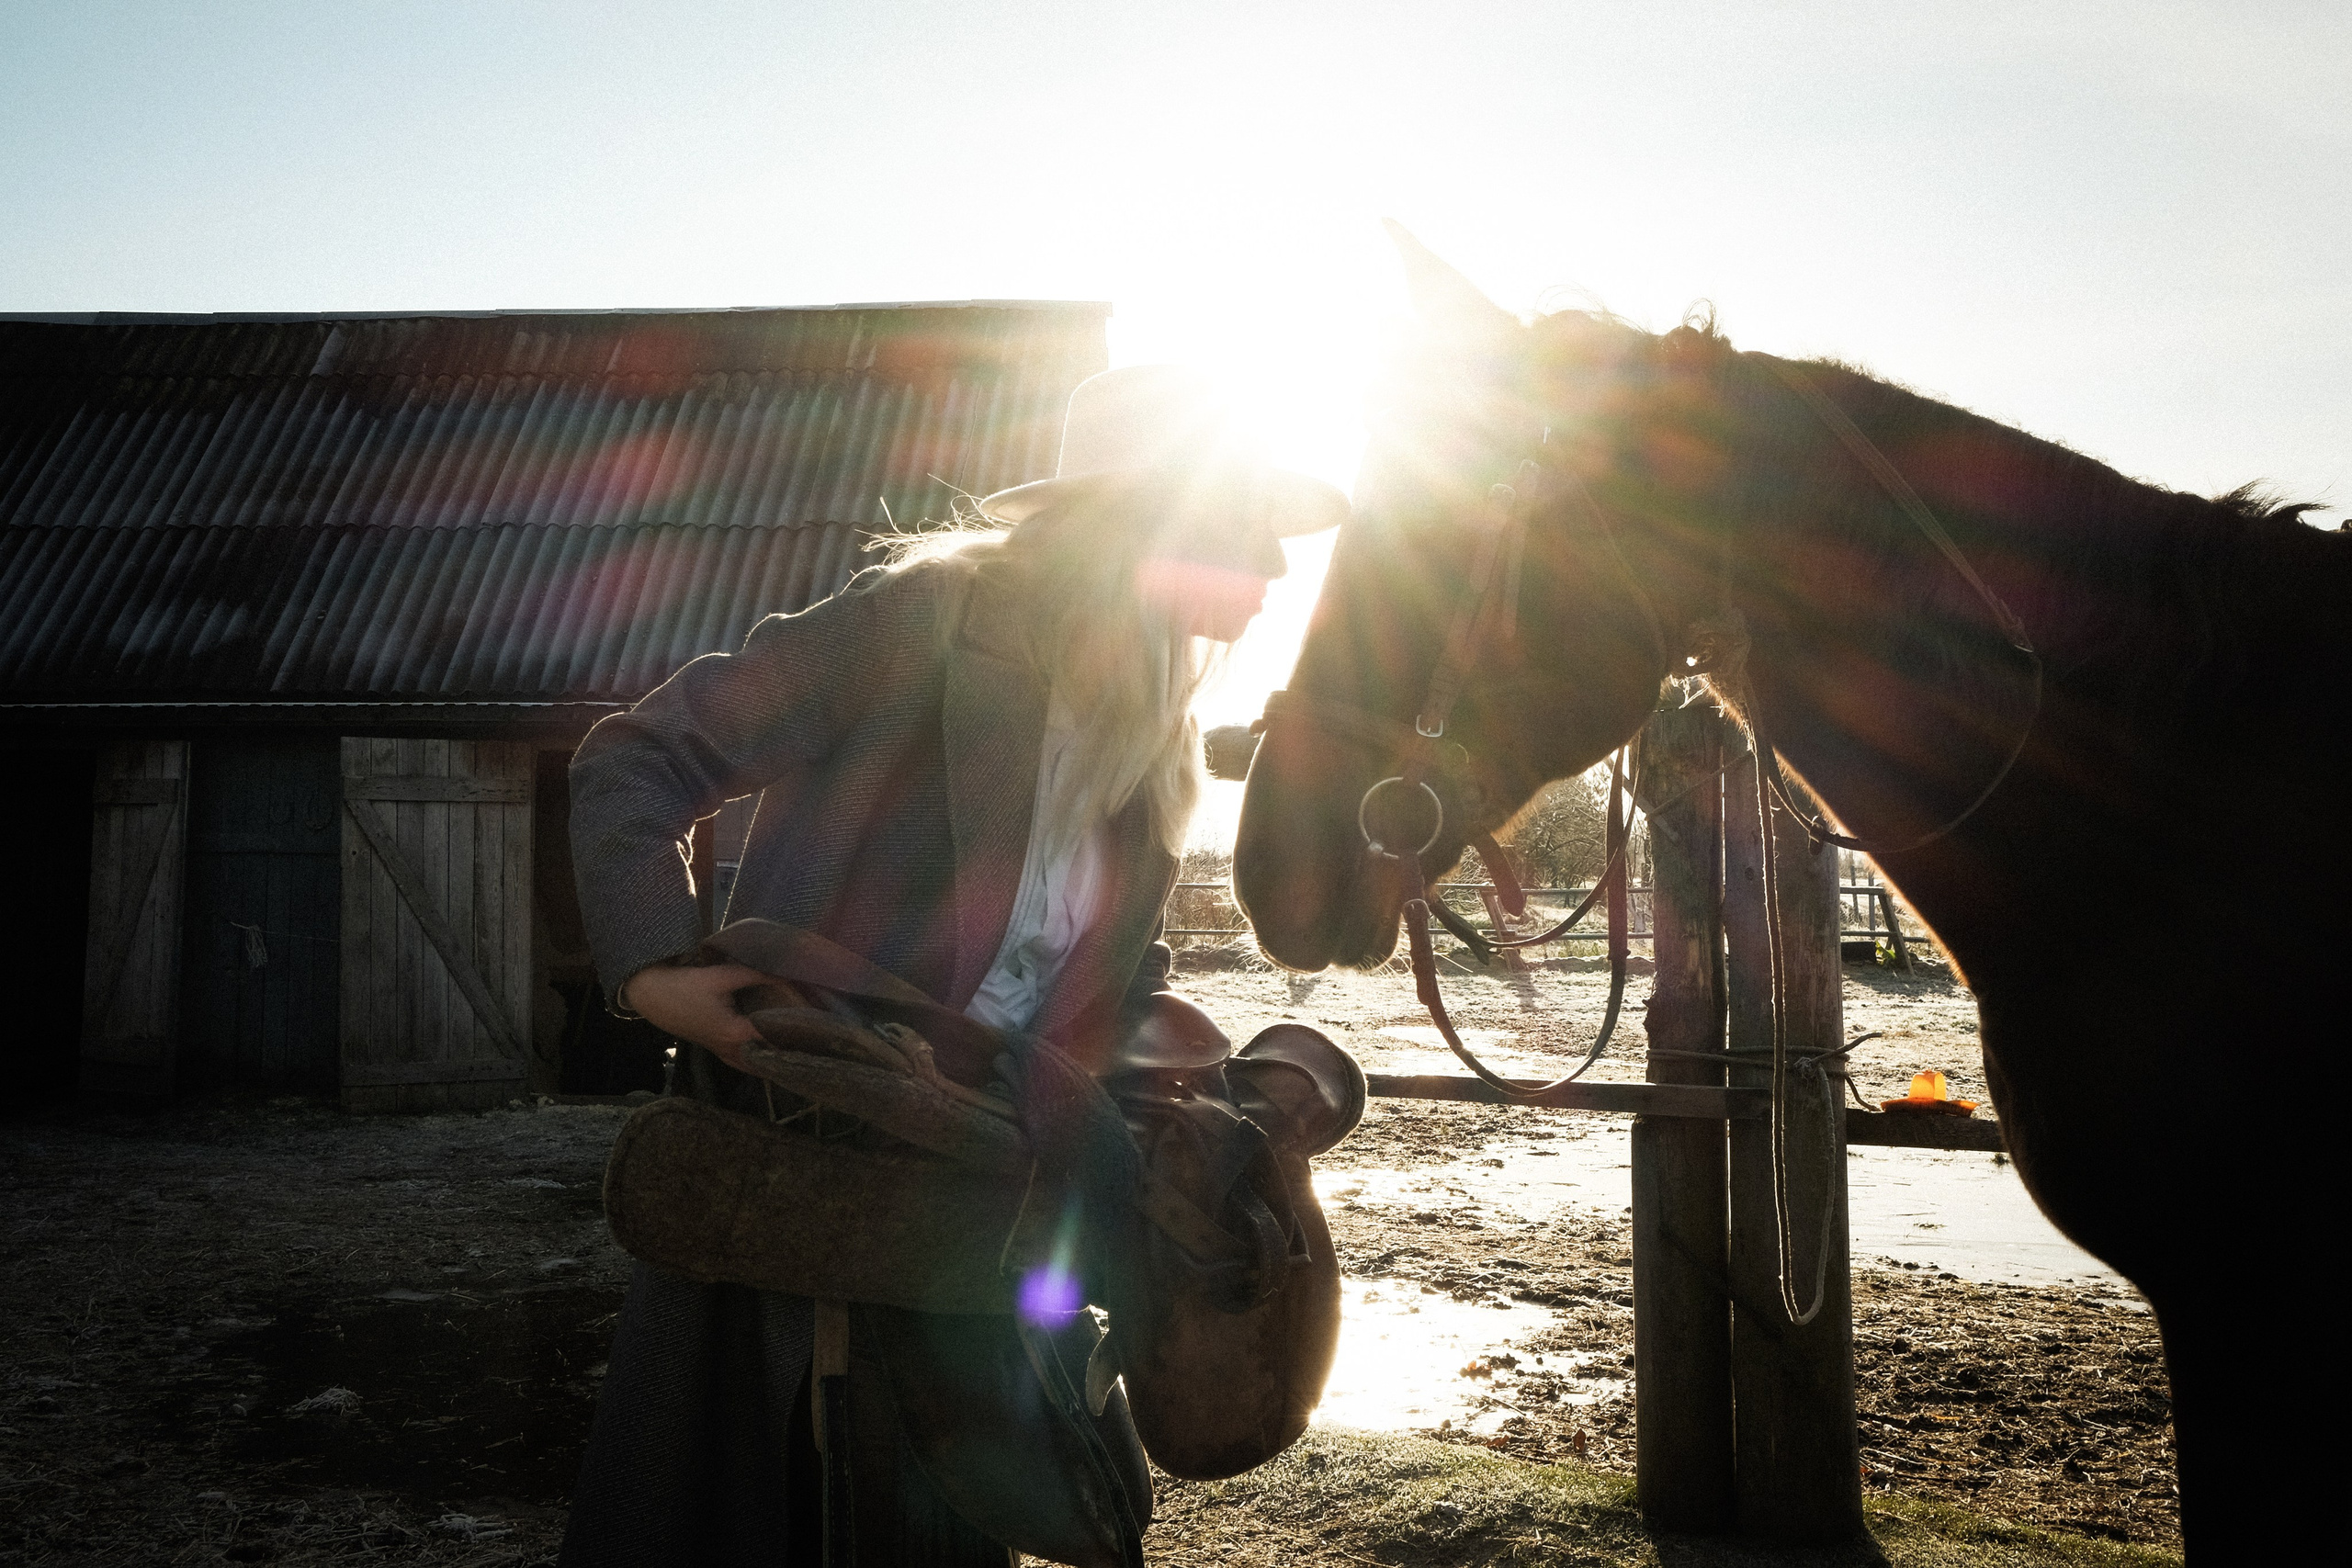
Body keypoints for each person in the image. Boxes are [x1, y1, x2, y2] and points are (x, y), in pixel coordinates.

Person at [558, 365, 1348, 1567]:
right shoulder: (918, 626)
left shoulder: (1155, 746)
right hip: (797, 1184)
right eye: (1246, 529)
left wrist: (1201, 1094)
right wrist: (652, 971)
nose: (1280, 572)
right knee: (742, 1519)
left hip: (983, 1224)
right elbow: (635, 757)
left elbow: (1103, 985)